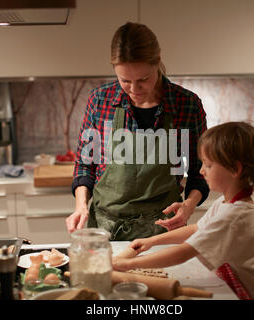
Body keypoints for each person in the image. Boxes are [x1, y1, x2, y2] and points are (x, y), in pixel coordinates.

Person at [66, 22, 209, 241]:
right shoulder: (100, 101)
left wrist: (188, 206)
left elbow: (200, 171)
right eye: (125, 80)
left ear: (158, 60)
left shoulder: (187, 105)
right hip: (104, 230)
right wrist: (81, 205)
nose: (134, 89)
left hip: (163, 230)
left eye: (143, 79)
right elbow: (85, 164)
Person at [112, 122, 254, 300]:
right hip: (236, 287)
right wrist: (151, 241)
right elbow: (197, 229)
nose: (201, 171)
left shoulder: (234, 216)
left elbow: (184, 252)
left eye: (208, 165)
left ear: (235, 169)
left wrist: (130, 264)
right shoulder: (226, 204)